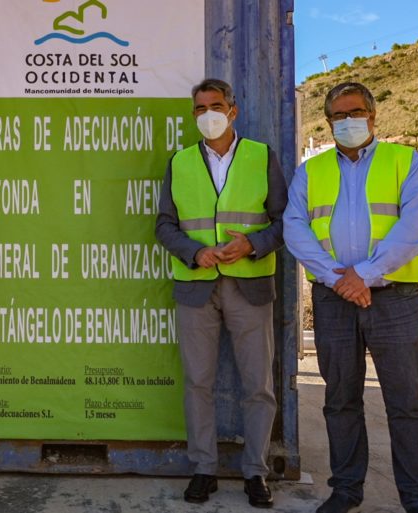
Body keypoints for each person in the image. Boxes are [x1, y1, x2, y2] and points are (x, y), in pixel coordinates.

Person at [283, 82, 418, 513]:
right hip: (334, 300)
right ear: (328, 121)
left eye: (355, 113)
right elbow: (296, 229)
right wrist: (338, 279)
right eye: (337, 116)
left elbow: (412, 229)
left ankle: (417, 499)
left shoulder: (406, 162)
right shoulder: (310, 171)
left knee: (406, 403)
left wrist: (364, 275)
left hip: (394, 298)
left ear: (373, 115)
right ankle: (346, 490)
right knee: (341, 401)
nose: (347, 122)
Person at [156, 78, 286, 508]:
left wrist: (252, 243)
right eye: (199, 108)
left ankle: (256, 472)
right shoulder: (179, 163)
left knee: (258, 385)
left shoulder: (261, 156)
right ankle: (203, 469)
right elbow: (164, 226)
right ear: (193, 114)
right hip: (197, 288)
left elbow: (286, 221)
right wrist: (196, 252)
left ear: (233, 109)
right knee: (198, 383)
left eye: (215, 105)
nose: (208, 113)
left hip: (250, 285)